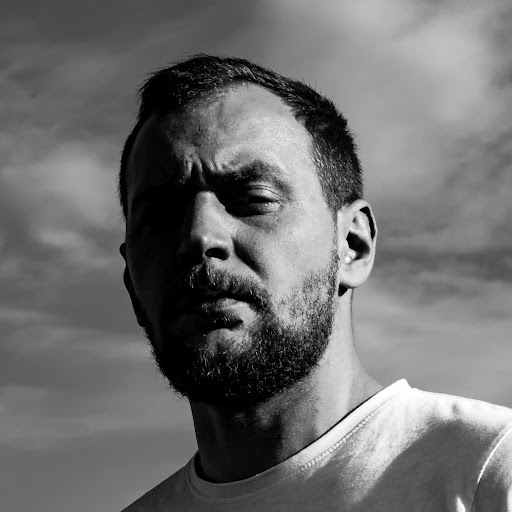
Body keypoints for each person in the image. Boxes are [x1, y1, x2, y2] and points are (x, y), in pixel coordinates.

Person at [118, 55, 512, 511]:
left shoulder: (488, 473)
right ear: (132, 285)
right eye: (158, 217)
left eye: (253, 198)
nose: (199, 237)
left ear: (352, 245)